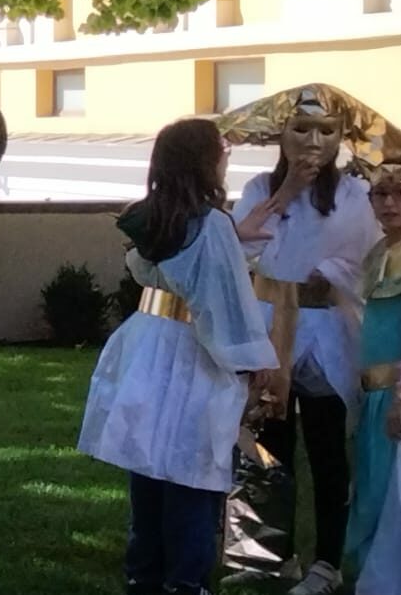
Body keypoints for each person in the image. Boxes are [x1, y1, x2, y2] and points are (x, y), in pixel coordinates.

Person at [78, 118, 279, 595]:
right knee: (193, 471)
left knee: (148, 470)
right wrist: (251, 362)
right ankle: (185, 583)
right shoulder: (210, 225)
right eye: (221, 149)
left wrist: (237, 240)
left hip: (148, 347)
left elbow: (177, 272)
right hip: (193, 356)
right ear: (204, 161)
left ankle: (143, 577)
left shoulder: (151, 215)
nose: (226, 156)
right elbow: (221, 302)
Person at [219, 85, 385, 595]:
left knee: (327, 449)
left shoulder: (357, 194)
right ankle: (267, 552)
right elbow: (238, 247)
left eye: (326, 131)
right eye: (301, 129)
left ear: (341, 138)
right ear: (281, 134)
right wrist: (286, 192)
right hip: (269, 329)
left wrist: (330, 276)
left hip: (326, 333)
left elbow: (371, 260)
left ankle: (327, 563)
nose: (313, 141)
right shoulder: (257, 189)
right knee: (267, 446)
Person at [345, 162, 401, 595]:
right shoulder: (379, 252)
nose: (389, 203)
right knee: (371, 491)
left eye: (399, 194)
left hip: (398, 395)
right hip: (375, 397)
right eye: (380, 194)